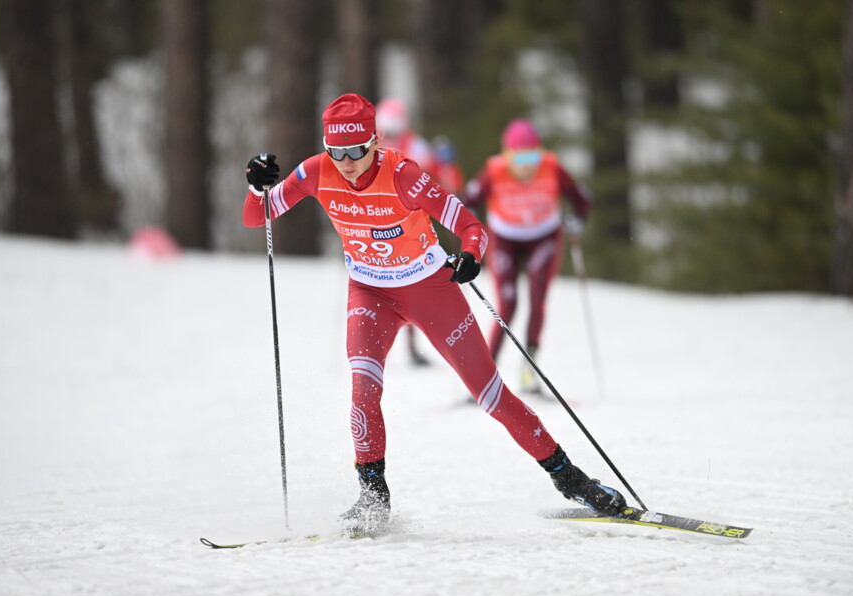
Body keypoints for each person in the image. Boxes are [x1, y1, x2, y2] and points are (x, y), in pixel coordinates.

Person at [242, 94, 624, 535]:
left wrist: (470, 255)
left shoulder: (402, 175)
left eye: (356, 151)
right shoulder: (315, 172)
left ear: (376, 141)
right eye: (336, 151)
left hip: (430, 290)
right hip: (370, 293)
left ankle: (572, 479)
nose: (346, 162)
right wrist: (256, 187)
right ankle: (373, 497)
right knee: (363, 389)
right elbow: (259, 216)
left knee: (492, 397)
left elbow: (470, 226)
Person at [464, 119, 591, 393]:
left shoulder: (551, 167)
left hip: (543, 236)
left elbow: (581, 198)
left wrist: (577, 220)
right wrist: (468, 228)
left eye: (532, 156)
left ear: (540, 152)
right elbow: (466, 202)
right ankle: (484, 378)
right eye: (518, 158)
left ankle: (529, 374)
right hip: (505, 237)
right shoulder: (494, 171)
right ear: (506, 155)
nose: (526, 165)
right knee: (507, 304)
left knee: (537, 299)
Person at [375, 97, 436, 366]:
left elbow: (434, 179)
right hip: (374, 222)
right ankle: (375, 342)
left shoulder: (417, 146)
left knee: (409, 281)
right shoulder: (369, 144)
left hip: (408, 224)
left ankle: (412, 343)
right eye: (385, 133)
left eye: (395, 133)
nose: (390, 139)